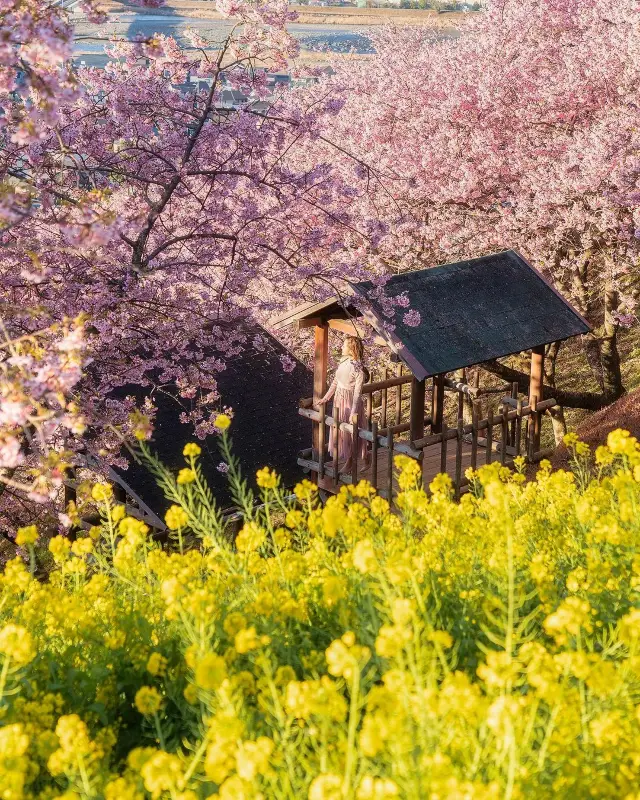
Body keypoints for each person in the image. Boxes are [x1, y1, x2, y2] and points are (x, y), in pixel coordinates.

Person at [317, 336, 369, 473]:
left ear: (352, 349)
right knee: (342, 431)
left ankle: (350, 462)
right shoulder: (343, 362)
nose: (341, 347)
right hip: (339, 400)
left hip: (350, 401)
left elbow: (358, 392)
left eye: (344, 345)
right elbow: (335, 382)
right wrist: (326, 398)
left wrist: (353, 411)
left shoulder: (358, 369)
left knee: (352, 432)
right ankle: (365, 457)